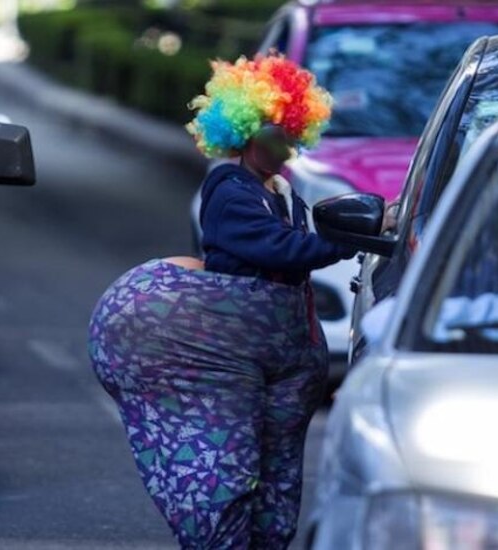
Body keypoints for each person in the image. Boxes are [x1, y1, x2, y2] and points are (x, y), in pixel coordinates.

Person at [87, 54, 356, 549]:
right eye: (277, 137)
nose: (287, 150)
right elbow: (279, 248)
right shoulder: (230, 189)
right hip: (231, 352)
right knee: (226, 467)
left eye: (292, 137)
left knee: (275, 476)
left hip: (274, 352)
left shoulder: (277, 190)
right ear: (246, 132)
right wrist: (347, 243)